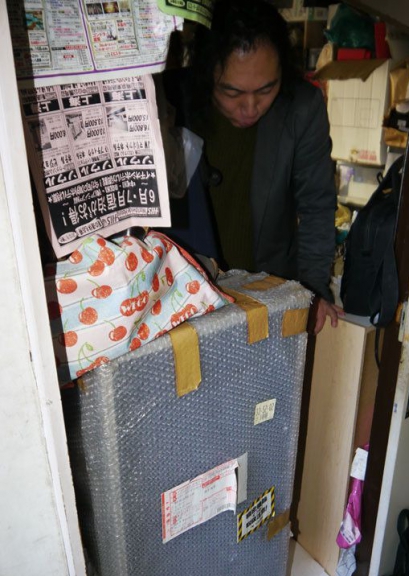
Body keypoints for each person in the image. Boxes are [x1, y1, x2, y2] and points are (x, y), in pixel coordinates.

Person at [165, 0, 343, 333]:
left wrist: (314, 289)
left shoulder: (301, 108)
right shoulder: (172, 99)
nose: (250, 108)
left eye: (266, 89)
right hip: (184, 297)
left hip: (268, 295)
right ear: (206, 74)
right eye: (231, 92)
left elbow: (317, 205)